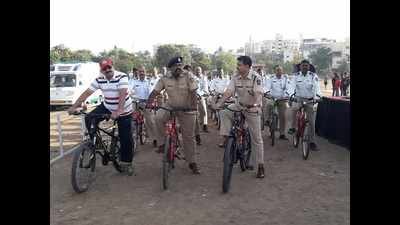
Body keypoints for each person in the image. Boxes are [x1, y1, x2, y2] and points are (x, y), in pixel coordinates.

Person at [67, 59, 134, 175]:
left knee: (125, 138)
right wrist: (74, 106)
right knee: (89, 117)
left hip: (124, 110)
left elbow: (122, 93)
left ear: (112, 66)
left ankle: (127, 163)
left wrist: (119, 110)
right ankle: (95, 142)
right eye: (104, 68)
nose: (107, 70)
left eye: (109, 67)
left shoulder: (121, 76)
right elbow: (87, 93)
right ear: (101, 70)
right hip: (107, 106)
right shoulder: (99, 79)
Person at [146, 56, 201, 174]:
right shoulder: (164, 78)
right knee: (158, 117)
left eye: (180, 65)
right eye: (175, 66)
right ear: (170, 68)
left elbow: (193, 92)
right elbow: (155, 92)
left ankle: (192, 162)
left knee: (188, 136)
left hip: (187, 107)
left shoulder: (188, 76)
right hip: (171, 105)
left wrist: (193, 106)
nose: (178, 68)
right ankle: (162, 145)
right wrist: (149, 103)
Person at [215, 56, 265, 178]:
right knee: (224, 112)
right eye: (237, 65)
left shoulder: (256, 78)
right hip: (239, 105)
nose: (237, 67)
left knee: (256, 139)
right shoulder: (235, 76)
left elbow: (258, 94)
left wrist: (256, 103)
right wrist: (219, 103)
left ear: (247, 66)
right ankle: (226, 136)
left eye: (240, 65)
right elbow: (229, 91)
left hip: (252, 108)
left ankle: (260, 166)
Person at [288, 59, 322, 151]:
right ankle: (293, 128)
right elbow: (291, 86)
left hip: (310, 100)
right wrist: (291, 96)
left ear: (309, 67)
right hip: (298, 98)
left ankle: (312, 142)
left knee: (311, 122)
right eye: (303, 65)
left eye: (306, 65)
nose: (304, 67)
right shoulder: (295, 76)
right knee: (294, 109)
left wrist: (318, 97)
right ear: (300, 67)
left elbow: (317, 87)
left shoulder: (313, 76)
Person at [129, 65, 158, 147]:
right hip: (136, 102)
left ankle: (154, 138)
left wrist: (150, 102)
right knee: (130, 118)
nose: (141, 73)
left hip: (146, 103)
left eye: (143, 71)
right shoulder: (133, 81)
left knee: (150, 121)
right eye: (140, 71)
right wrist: (129, 93)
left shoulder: (149, 81)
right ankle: (132, 136)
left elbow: (151, 91)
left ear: (145, 72)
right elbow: (129, 89)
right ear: (137, 72)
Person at [264, 65, 291, 140]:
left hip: (282, 99)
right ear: (275, 71)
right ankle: (267, 120)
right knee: (268, 104)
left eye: (280, 70)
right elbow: (267, 87)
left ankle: (282, 134)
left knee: (283, 116)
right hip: (272, 97)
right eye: (277, 70)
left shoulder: (286, 79)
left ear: (282, 71)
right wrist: (267, 93)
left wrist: (286, 95)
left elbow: (288, 88)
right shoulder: (271, 78)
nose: (279, 71)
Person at [194, 66, 209, 133]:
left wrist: (200, 95)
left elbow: (205, 89)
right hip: (193, 97)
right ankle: (196, 128)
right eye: (196, 70)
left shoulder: (204, 78)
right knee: (195, 113)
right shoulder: (193, 78)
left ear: (201, 71)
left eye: (199, 70)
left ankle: (205, 125)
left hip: (201, 96)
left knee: (204, 111)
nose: (198, 71)